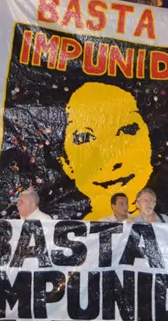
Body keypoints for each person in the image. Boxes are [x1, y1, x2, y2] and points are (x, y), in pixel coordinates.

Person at [57, 82, 154, 220]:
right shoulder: (77, 234)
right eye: (85, 138)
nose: (112, 161)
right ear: (66, 163)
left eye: (127, 130)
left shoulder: (164, 224)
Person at [130, 188, 168, 321]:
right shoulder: (131, 223)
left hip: (164, 281)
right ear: (137, 204)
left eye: (151, 200)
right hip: (140, 282)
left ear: (155, 203)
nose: (148, 203)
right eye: (144, 200)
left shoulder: (166, 221)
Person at [12, 190, 54, 321]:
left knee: (41, 318)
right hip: (20, 275)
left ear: (32, 204)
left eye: (21, 202)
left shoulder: (46, 221)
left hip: (39, 276)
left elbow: (50, 250)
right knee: (22, 317)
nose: (17, 204)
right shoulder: (16, 223)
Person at [100, 193, 132, 321]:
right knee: (111, 312)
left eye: (126, 203)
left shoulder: (135, 222)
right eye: (120, 203)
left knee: (129, 310)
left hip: (129, 274)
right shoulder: (103, 222)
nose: (124, 206)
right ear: (112, 206)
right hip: (110, 274)